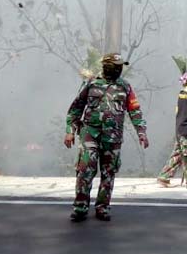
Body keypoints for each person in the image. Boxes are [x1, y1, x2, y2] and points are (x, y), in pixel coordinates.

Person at [64, 53, 149, 222]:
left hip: (112, 137)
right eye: (116, 66)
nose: (119, 69)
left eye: (120, 66)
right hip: (90, 133)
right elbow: (75, 108)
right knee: (85, 169)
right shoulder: (91, 83)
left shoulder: (125, 87)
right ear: (107, 66)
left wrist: (141, 132)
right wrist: (70, 131)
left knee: (108, 172)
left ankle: (102, 207)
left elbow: (135, 110)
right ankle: (80, 207)